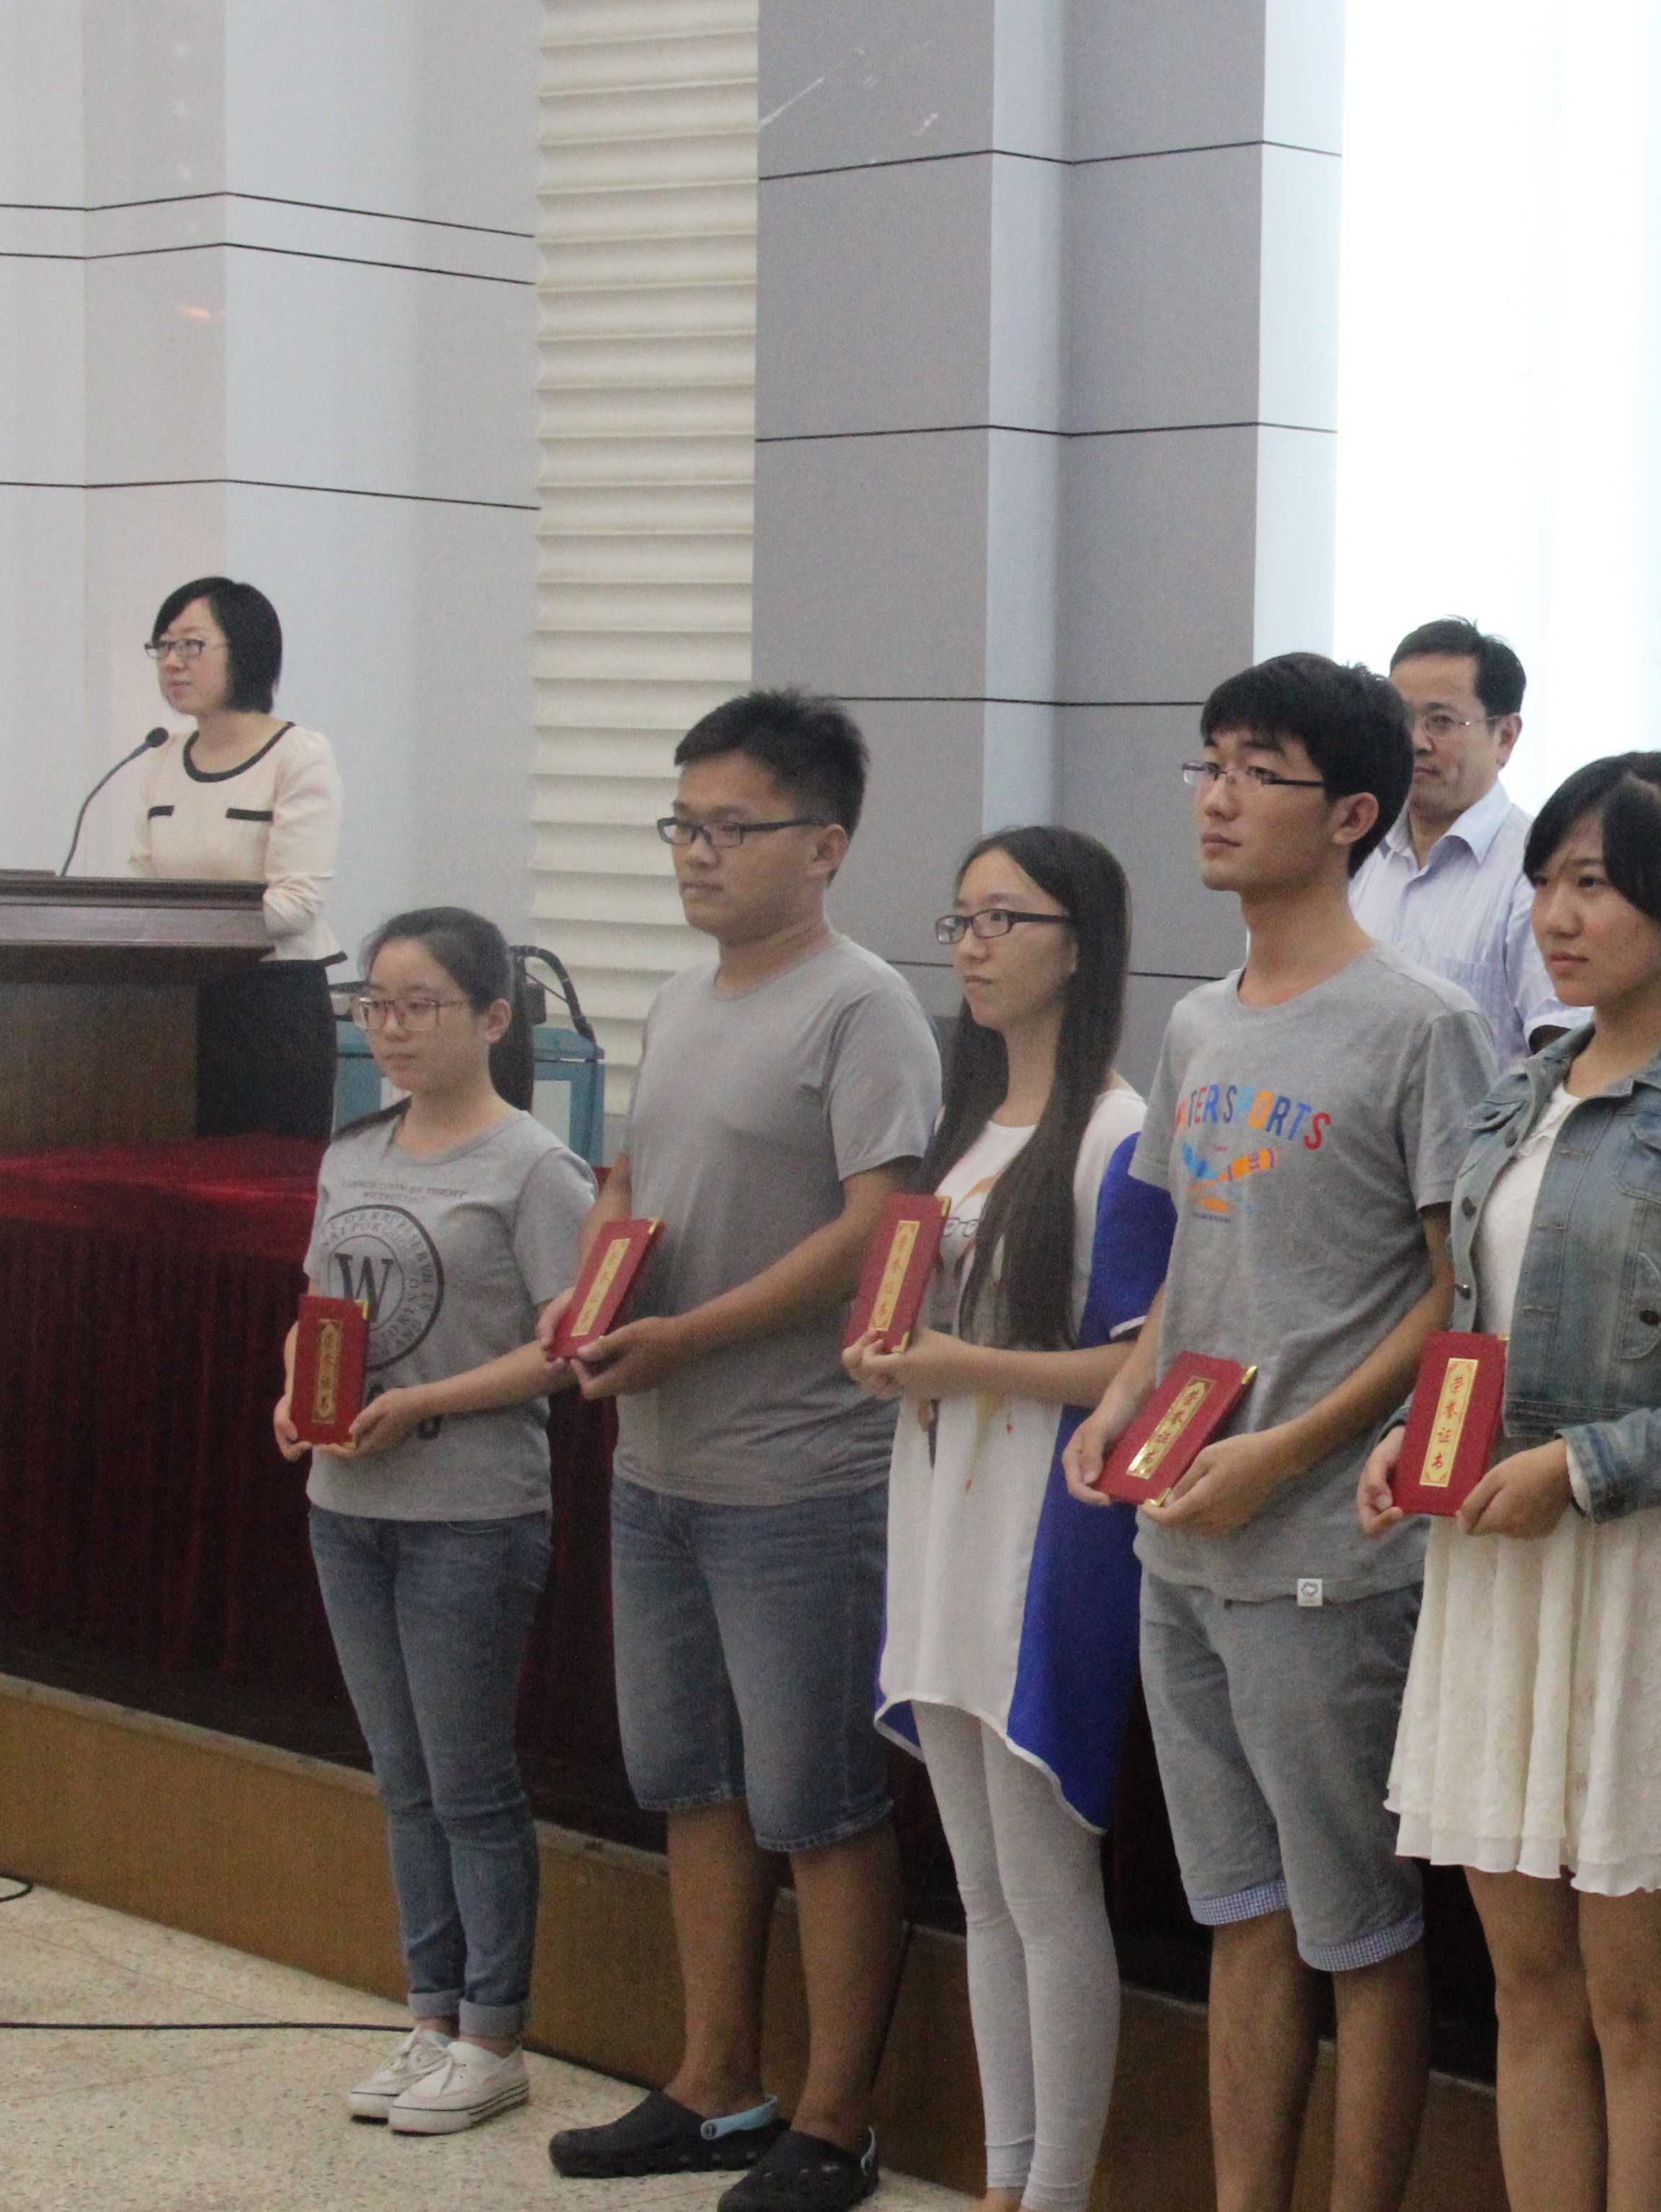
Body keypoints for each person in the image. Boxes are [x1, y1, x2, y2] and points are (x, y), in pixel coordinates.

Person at [1367, 752, 1661, 2212]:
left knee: (1642, 2002)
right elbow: (1475, 1320)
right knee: (1527, 1989)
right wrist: (1416, 1437)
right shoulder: (1517, 1095)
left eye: (1594, 883)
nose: (1557, 916)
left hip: (1649, 1564)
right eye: (1546, 881)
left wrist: (1584, 1465)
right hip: (1497, 1563)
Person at [1059, 653, 1490, 2212]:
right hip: (1183, 1533)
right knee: (1238, 1912)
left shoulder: (1422, 1025)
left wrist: (1285, 1450)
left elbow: (1457, 1295)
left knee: (1358, 1929)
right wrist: (1124, 1400)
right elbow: (1195, 1259)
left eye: (1260, 769)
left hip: (1326, 1551)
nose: (1219, 796)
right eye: (1211, 762)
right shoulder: (1196, 1024)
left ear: (1354, 811)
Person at [545, 689, 942, 2212]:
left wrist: (690, 1334)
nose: (695, 851)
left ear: (824, 845)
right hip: (659, 1460)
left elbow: (876, 1229)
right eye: (682, 823)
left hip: (799, 1471)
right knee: (691, 1782)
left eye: (730, 826)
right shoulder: (678, 996)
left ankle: (836, 2122)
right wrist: (593, 1286)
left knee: (819, 1803)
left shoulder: (863, 1006)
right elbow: (633, 1178)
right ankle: (715, 2079)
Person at [850, 827, 1172, 2212]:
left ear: (1080, 945)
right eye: (962, 918)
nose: (973, 946)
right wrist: (899, 1355)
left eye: (1005, 919)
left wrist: (961, 1363)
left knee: (1047, 1884)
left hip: (1047, 1532)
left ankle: (1059, 2188)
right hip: (939, 1507)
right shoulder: (966, 1129)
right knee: (979, 1885)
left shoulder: (1120, 1135)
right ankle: (1003, 2175)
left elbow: (1141, 1367)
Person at [275, 907, 595, 2138]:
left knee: (468, 1780)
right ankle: (429, 2012)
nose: (394, 1027)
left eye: (422, 1005)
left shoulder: (534, 1167)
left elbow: (565, 1351)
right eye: (378, 1004)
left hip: (470, 1510)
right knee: (402, 1778)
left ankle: (492, 2033)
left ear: (494, 1017)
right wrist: (293, 1395)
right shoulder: (352, 1150)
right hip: (346, 1505)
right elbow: (315, 1307)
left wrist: (421, 1404)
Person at [133, 576, 346, 1138]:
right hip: (176, 1008)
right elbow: (139, 887)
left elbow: (297, 903)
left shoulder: (298, 754)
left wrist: (182, 927)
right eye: (164, 645)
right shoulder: (161, 757)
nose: (172, 662)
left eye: (191, 645)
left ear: (248, 651)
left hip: (271, 1006)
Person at [1351, 617, 1569, 1070]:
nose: (1415, 742)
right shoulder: (1355, 848)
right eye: (1402, 719)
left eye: (1441, 721)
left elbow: (1562, 1054)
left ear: (1505, 737)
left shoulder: (1540, 871)